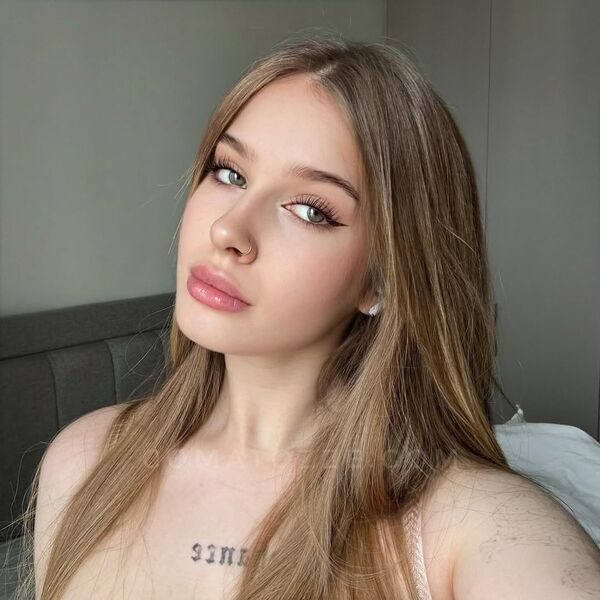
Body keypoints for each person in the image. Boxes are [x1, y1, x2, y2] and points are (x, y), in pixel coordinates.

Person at [14, 31, 600, 600]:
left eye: (309, 209)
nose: (228, 229)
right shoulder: (83, 461)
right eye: (230, 173)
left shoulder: (469, 526)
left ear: (382, 279)